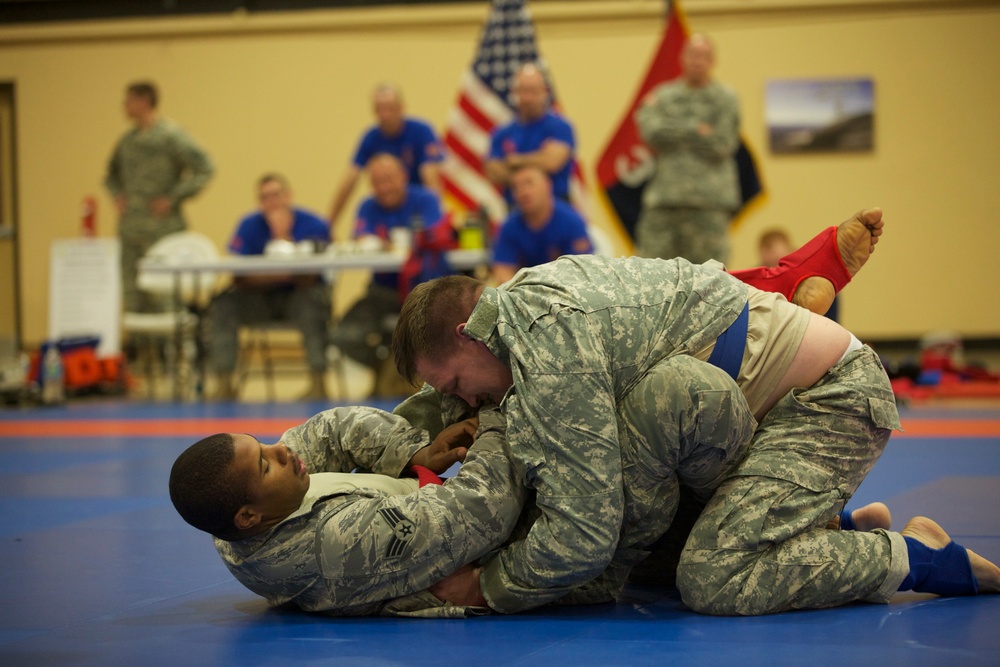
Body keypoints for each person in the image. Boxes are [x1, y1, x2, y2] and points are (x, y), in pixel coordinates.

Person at [393, 208, 1000, 615]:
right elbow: (437, 403)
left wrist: (487, 587)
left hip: (831, 400)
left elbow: (584, 534)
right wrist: (383, 449)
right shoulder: (519, 303)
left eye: (456, 382)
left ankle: (919, 557)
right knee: (659, 551)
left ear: (470, 334)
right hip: (743, 410)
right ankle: (824, 527)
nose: (465, 403)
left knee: (715, 576)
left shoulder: (548, 338)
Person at [208, 174, 331, 401]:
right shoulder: (248, 225)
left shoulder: (314, 224)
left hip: (298, 299)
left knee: (314, 302)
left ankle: (318, 381)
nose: (272, 202)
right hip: (258, 301)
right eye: (265, 197)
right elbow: (240, 278)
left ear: (289, 196)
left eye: (276, 195)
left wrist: (281, 239)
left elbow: (310, 277)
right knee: (223, 303)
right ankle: (224, 382)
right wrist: (288, 272)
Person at [329, 154, 445, 388]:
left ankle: (396, 379)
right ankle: (390, 372)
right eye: (377, 181)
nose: (384, 187)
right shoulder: (367, 206)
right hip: (381, 291)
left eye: (389, 179)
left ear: (403, 176)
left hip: (422, 292)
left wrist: (390, 244)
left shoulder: (426, 199)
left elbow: (436, 235)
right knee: (343, 337)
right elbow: (361, 239)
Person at [104, 81, 214, 314]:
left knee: (166, 298)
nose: (124, 106)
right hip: (131, 229)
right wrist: (118, 196)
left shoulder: (171, 135)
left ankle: (176, 350)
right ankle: (141, 350)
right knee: (133, 296)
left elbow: (205, 168)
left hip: (163, 229)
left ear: (144, 101)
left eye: (129, 100)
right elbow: (110, 176)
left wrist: (173, 198)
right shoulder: (127, 141)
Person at [634, 34, 739, 264]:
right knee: (651, 275)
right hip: (665, 200)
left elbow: (721, 144)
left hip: (709, 204)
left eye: (704, 56)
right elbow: (651, 132)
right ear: (682, 58)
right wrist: (695, 128)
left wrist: (673, 129)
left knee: (711, 281)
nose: (697, 61)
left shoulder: (725, 98)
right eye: (693, 55)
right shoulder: (664, 95)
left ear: (713, 61)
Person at [327, 84, 444, 227]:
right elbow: (350, 179)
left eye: (390, 108)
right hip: (385, 209)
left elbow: (430, 177)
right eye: (380, 110)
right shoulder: (371, 138)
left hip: (416, 206)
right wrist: (328, 225)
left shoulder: (421, 131)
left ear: (401, 107)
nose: (385, 115)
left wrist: (436, 216)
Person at [485, 63, 576, 204]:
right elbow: (493, 170)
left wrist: (515, 161)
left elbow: (552, 162)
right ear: (515, 92)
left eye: (533, 91)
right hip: (515, 209)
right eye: (523, 91)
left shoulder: (560, 127)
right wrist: (537, 164)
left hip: (555, 205)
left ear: (544, 92)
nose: (528, 98)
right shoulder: (502, 133)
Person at [491, 165, 593, 285]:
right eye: (516, 187)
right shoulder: (509, 227)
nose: (523, 191)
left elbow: (581, 270)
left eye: (529, 183)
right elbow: (502, 269)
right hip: (525, 294)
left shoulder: (571, 221)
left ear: (547, 185)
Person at [759, 228, 839, 321]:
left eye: (782, 262)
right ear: (763, 255)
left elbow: (830, 322)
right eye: (774, 263)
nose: (777, 271)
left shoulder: (818, 281)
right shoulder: (754, 283)